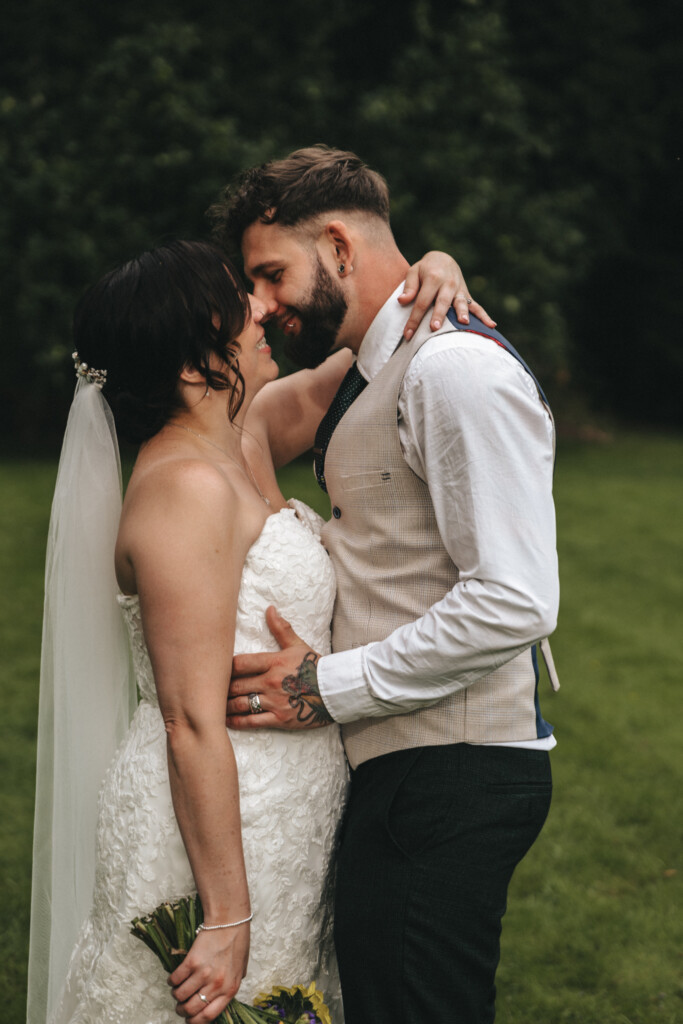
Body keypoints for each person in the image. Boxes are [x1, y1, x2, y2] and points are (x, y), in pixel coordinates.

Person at [27, 238, 479, 1024]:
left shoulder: (243, 437)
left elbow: (383, 345)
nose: (264, 311)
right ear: (192, 361)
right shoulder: (183, 492)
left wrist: (431, 267)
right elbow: (191, 718)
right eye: (238, 307)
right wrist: (226, 914)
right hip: (215, 825)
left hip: (290, 807)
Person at [215, 146, 561, 1024]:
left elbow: (514, 600)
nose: (261, 304)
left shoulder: (451, 369)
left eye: (269, 273)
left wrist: (323, 686)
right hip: (407, 768)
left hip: (453, 767)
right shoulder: (371, 363)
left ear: (337, 244)